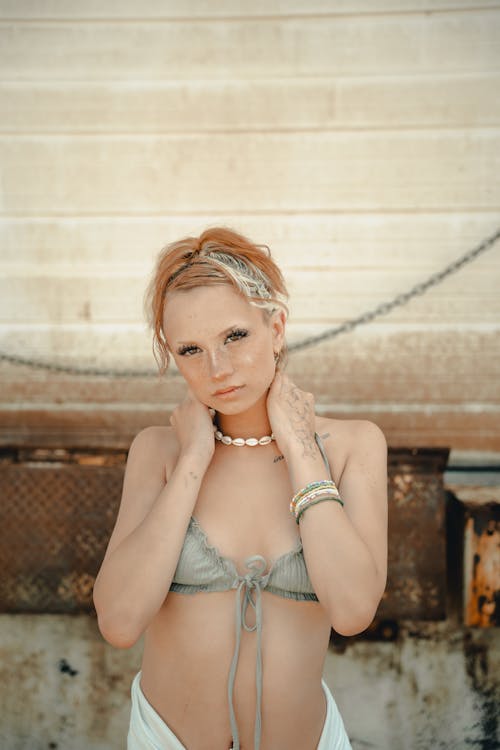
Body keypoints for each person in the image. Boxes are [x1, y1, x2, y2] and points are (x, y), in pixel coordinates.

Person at [93, 227, 388, 750]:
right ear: (172, 356)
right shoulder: (158, 452)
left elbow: (352, 610)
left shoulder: (351, 447)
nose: (218, 369)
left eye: (235, 336)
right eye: (191, 349)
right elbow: (118, 622)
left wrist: (299, 442)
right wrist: (193, 460)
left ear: (275, 327)